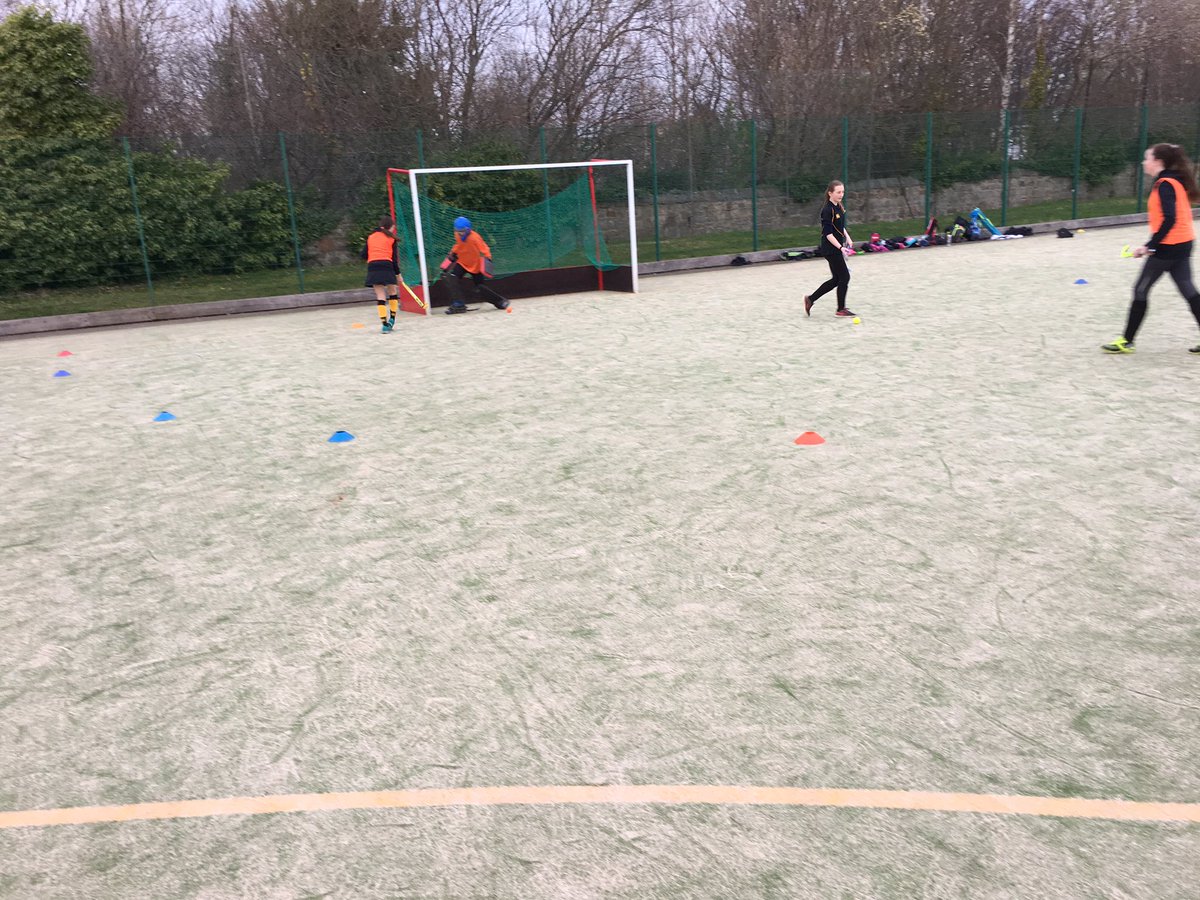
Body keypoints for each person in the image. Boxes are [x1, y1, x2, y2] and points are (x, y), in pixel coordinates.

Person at [1102, 143, 1200, 354]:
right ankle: (1127, 340)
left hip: (1169, 247)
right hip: (1184, 244)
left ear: (1157, 161)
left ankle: (1127, 341)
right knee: (1188, 289)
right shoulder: (1175, 180)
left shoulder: (1165, 184)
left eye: (1147, 158)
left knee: (1140, 289)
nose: (1143, 162)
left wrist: (1150, 247)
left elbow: (1170, 218)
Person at [803, 181, 857, 318]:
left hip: (836, 248)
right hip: (830, 249)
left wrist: (848, 238)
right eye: (838, 192)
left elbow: (839, 226)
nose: (841, 195)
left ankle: (810, 299)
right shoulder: (827, 210)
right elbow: (828, 234)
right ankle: (841, 309)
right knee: (844, 276)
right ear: (830, 193)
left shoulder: (838, 207)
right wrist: (840, 247)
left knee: (836, 280)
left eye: (843, 192)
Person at [442, 216, 508, 314]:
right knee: (452, 278)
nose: (460, 233)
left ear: (468, 229)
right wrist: (452, 253)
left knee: (480, 288)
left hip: (475, 265)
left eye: (462, 231)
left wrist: (488, 259)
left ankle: (500, 302)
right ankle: (459, 305)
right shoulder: (457, 235)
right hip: (462, 263)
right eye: (458, 231)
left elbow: (485, 248)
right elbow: (458, 245)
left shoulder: (475, 237)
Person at [361, 216, 401, 333]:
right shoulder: (391, 239)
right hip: (387, 266)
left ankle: (384, 325)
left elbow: (363, 255)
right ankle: (392, 320)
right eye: (393, 228)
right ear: (390, 227)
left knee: (380, 295)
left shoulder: (370, 237)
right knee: (392, 292)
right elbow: (394, 260)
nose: (393, 231)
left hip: (373, 267)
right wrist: (398, 275)